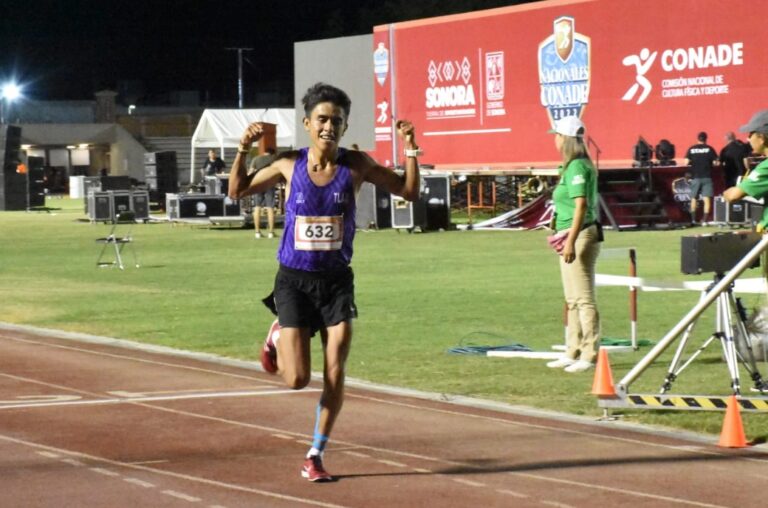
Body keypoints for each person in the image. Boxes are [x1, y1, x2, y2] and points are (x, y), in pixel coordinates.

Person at [228, 82, 420, 482]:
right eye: (322, 119)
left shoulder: (356, 165)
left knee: (336, 369)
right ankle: (277, 335)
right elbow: (238, 191)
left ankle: (315, 453)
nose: (329, 126)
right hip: (294, 281)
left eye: (337, 120)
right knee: (297, 379)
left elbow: (408, 191)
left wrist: (412, 148)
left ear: (345, 126)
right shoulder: (288, 164)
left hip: (336, 283)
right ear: (307, 123)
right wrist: (242, 151)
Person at [545, 115, 602, 374]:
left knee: (583, 297)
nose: (554, 140)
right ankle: (573, 349)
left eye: (557, 135)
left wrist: (570, 240)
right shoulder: (571, 167)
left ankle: (589, 352)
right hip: (570, 232)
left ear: (565, 139)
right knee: (572, 298)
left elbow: (581, 205)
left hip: (578, 234)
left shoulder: (578, 167)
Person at [724, 110, 768, 232]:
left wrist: (726, 193)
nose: (748, 138)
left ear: (761, 137)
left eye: (750, 134)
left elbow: (733, 196)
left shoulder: (765, 167)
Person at [684, 131, 718, 226]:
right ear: (706, 139)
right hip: (707, 177)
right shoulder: (710, 149)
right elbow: (716, 163)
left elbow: (686, 162)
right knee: (706, 199)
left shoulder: (692, 149)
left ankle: (693, 220)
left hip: (695, 177)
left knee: (693, 198)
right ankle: (704, 220)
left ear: (697, 138)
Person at [250, 147, 278, 239]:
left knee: (257, 207)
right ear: (273, 153)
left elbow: (250, 172)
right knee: (270, 207)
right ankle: (271, 232)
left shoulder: (256, 159)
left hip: (258, 184)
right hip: (269, 184)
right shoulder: (275, 159)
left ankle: (257, 232)